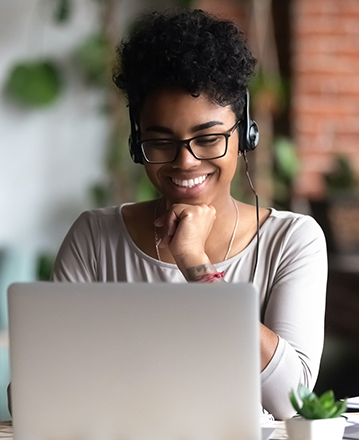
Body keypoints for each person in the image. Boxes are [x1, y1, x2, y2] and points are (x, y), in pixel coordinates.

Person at [52, 9, 327, 420]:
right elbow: (36, 393)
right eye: (161, 142)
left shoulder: (292, 240)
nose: (185, 161)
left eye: (209, 138)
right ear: (136, 143)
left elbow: (295, 401)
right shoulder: (95, 237)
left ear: (245, 135)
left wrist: (196, 265)